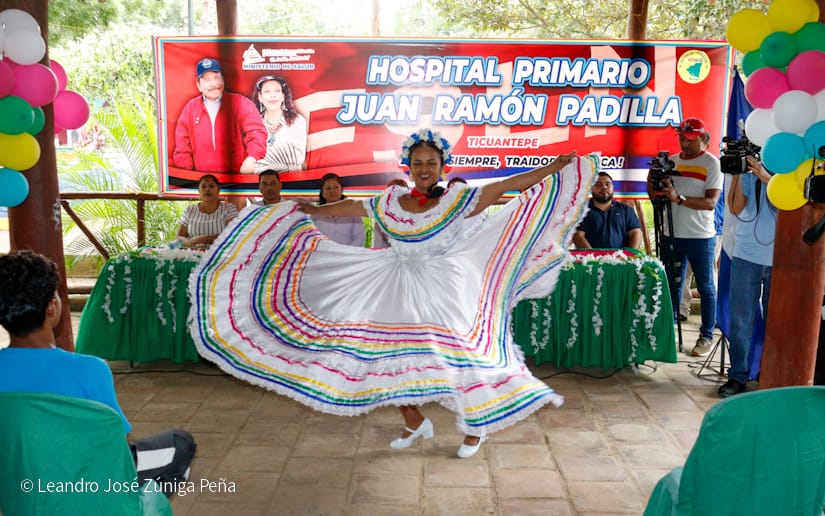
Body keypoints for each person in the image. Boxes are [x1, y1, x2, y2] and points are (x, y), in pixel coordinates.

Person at [187, 128, 593, 459]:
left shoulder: (458, 198)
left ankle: (478, 426)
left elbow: (507, 185)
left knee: (461, 359)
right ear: (408, 166)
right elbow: (349, 208)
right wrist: (311, 211)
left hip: (442, 289)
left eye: (431, 163)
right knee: (384, 358)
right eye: (417, 163)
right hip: (392, 283)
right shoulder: (390, 201)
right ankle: (416, 421)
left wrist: (552, 167)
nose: (424, 169)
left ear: (441, 165)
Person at [0, 251, 196, 489]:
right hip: (88, 481)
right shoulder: (89, 370)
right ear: (52, 307)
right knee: (181, 443)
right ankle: (136, 503)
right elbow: (117, 447)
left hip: (22, 485)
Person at [648, 117, 722, 357]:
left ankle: (706, 336)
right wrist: (652, 180)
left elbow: (711, 202)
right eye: (681, 137)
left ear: (702, 138)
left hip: (700, 236)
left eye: (690, 139)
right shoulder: (672, 162)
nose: (684, 142)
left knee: (706, 286)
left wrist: (678, 198)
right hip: (671, 233)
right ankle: (667, 333)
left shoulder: (712, 164)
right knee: (671, 283)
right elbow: (656, 197)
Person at [719, 156, 775, 397]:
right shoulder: (746, 172)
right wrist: (738, 174)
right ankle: (738, 376)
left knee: (776, 323)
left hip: (780, 259)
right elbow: (735, 208)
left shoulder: (789, 165)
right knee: (741, 322)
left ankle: (769, 373)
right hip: (745, 256)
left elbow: (793, 208)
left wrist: (768, 180)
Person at [172, 57, 267, 176]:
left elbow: (257, 133)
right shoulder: (190, 109)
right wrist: (189, 178)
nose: (213, 84)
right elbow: (182, 148)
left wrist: (252, 158)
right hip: (205, 184)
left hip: (236, 181)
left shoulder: (241, 103)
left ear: (223, 80)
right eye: (207, 79)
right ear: (198, 85)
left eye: (217, 78)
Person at [251, 75, 308, 173]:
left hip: (291, 181)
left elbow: (298, 158)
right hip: (262, 181)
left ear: (283, 96)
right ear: (260, 97)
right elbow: (251, 159)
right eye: (267, 91)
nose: (273, 95)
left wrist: (264, 160)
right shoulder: (253, 123)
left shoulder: (297, 121)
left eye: (277, 91)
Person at [573, 171, 642, 249]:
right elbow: (578, 236)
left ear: (613, 187)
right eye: (598, 184)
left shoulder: (626, 210)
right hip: (590, 259)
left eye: (607, 184)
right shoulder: (581, 211)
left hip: (622, 259)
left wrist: (630, 256)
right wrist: (593, 257)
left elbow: (636, 233)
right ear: (591, 188)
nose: (604, 187)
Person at [176, 174, 238, 249]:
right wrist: (189, 244)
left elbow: (231, 235)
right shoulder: (190, 210)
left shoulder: (229, 209)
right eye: (203, 186)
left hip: (220, 256)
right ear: (199, 191)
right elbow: (179, 237)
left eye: (211, 186)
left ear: (218, 190)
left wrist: (198, 240)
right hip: (193, 256)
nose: (207, 189)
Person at [311, 173, 368, 247]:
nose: (332, 191)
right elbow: (310, 238)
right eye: (328, 188)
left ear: (341, 189)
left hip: (347, 256)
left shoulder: (353, 212)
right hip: (322, 255)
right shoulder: (315, 214)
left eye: (336, 187)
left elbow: (360, 238)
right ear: (322, 192)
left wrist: (343, 254)